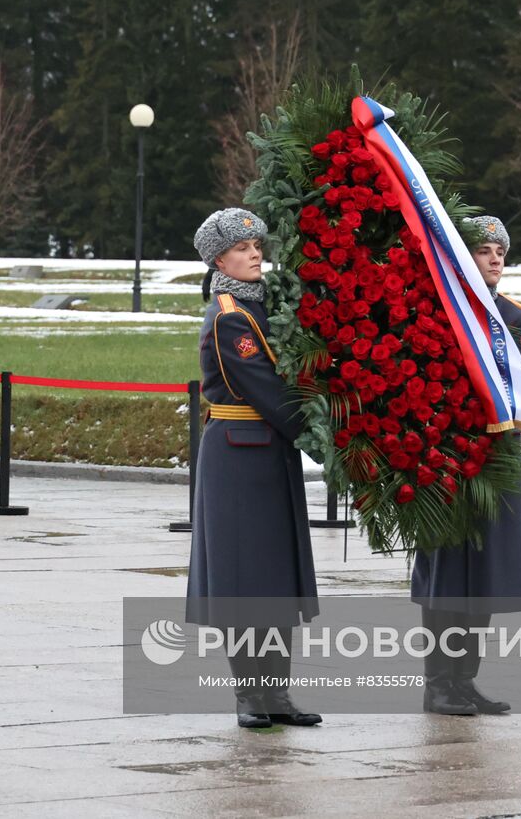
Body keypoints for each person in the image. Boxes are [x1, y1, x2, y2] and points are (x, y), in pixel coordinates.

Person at [186, 208, 322, 730]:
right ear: (219, 259)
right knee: (245, 579)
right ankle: (249, 694)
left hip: (270, 453)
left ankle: (278, 695)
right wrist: (323, 440)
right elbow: (266, 389)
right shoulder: (230, 317)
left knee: (276, 579)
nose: (255, 254)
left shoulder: (264, 305)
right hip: (240, 452)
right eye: (243, 248)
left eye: (257, 245)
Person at [410, 215, 521, 715]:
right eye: (484, 251)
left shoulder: (515, 317)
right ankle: (438, 683)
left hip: (497, 455)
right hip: (445, 455)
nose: (495, 259)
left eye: (500, 251)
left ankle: (465, 680)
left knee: (485, 572)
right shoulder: (437, 311)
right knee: (447, 571)